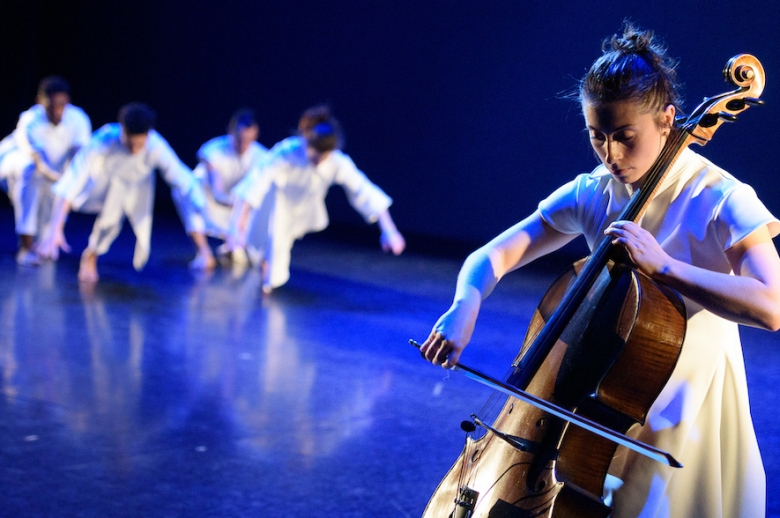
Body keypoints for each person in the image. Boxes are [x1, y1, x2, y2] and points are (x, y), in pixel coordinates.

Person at [420, 24, 780, 518]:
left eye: (625, 137)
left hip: (683, 417)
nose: (611, 155)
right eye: (597, 136)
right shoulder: (594, 192)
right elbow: (492, 256)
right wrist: (465, 304)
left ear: (667, 120)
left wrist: (666, 268)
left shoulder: (719, 198)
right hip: (597, 411)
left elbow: (771, 305)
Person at [227, 105, 406, 293]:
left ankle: (267, 271)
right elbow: (256, 182)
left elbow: (364, 190)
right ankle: (267, 274)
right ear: (306, 141)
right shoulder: (287, 151)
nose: (319, 159)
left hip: (305, 210)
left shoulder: (337, 162)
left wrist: (389, 229)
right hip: (276, 205)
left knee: (275, 241)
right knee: (270, 237)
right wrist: (237, 224)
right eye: (314, 152)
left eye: (324, 155)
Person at [37, 102, 205, 282]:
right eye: (130, 143)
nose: (134, 150)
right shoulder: (104, 138)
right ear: (122, 130)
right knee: (109, 206)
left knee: (113, 222)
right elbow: (72, 180)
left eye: (139, 144)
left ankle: (91, 254)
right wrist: (56, 228)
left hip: (136, 188)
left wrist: (201, 203)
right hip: (101, 185)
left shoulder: (156, 145)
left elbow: (180, 176)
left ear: (148, 135)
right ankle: (54, 243)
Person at [0, 76, 92, 265]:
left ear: (67, 101)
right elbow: (40, 164)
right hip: (16, 164)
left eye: (61, 105)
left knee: (51, 202)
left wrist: (70, 184)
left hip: (52, 171)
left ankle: (42, 244)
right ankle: (25, 247)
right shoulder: (30, 119)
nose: (56, 111)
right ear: (39, 102)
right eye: (51, 106)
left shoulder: (78, 119)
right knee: (30, 171)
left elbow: (79, 157)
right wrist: (64, 182)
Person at [173, 108, 269, 270]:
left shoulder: (262, 157)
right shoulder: (214, 149)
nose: (243, 145)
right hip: (215, 204)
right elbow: (218, 194)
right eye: (240, 139)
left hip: (241, 212)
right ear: (231, 131)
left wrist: (242, 213)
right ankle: (204, 253)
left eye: (248, 140)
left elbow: (255, 194)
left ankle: (238, 248)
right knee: (183, 190)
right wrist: (238, 205)